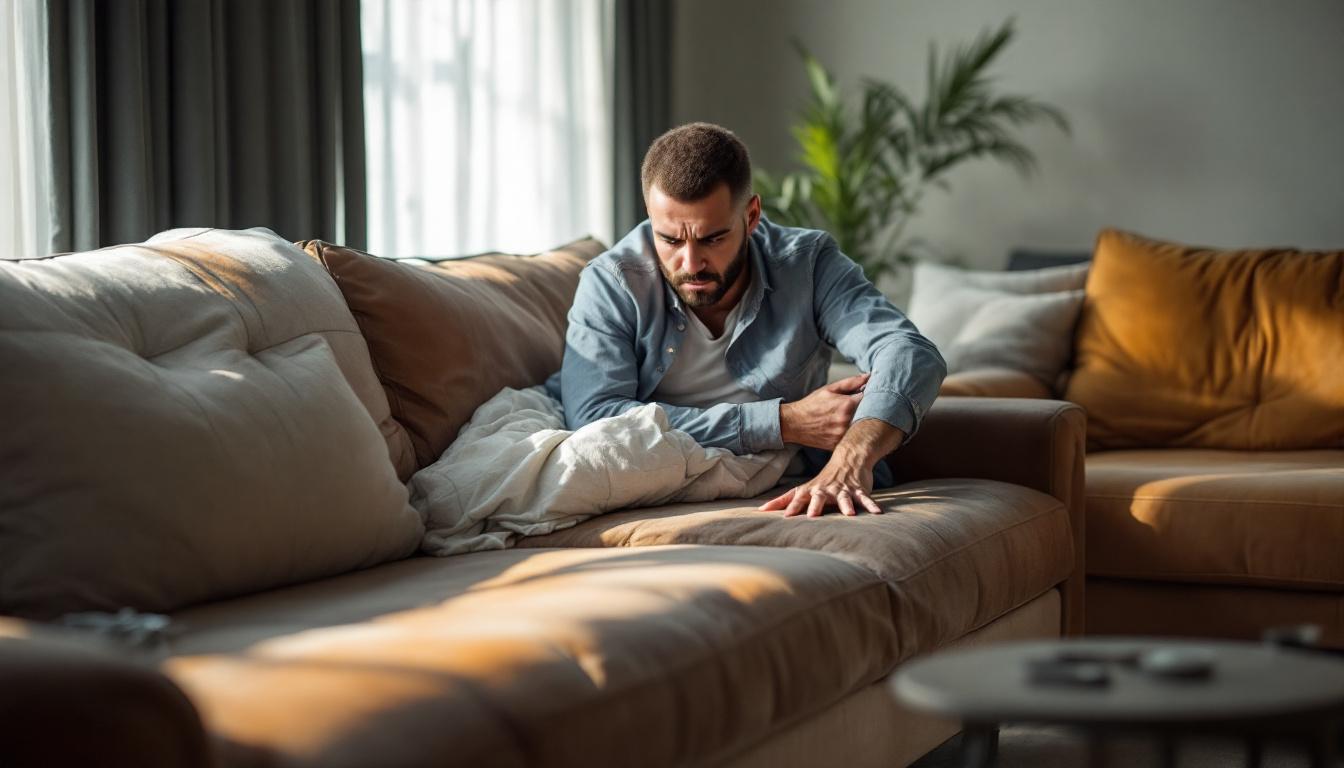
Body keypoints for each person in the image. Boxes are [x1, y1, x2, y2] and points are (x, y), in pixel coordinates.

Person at [546, 122, 945, 517]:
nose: (691, 263)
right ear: (651, 216)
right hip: (654, 473)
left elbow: (908, 351)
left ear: (751, 216)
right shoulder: (613, 281)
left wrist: (851, 455)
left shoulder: (806, 264)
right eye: (669, 239)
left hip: (778, 474)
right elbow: (594, 415)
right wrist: (780, 422)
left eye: (712, 238)